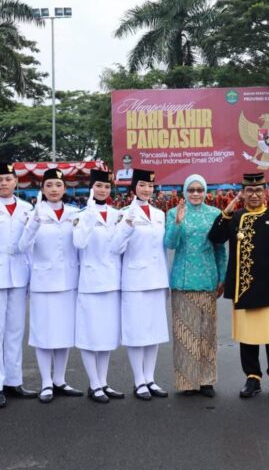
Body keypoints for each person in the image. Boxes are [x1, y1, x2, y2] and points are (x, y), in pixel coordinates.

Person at [208, 172, 269, 399]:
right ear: (243, 193)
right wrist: (227, 211)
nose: (254, 195)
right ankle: (252, 378)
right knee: (247, 336)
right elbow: (216, 237)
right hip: (243, 287)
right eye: (249, 191)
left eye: (258, 190)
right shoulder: (236, 217)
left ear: (265, 193)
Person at [19, 168, 84, 403]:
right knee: (44, 334)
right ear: (42, 189)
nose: (54, 189)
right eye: (49, 185)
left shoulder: (75, 213)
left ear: (64, 188)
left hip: (68, 281)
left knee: (64, 333)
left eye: (58, 185)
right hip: (44, 282)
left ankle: (60, 379)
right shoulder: (34, 213)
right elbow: (22, 246)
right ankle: (46, 382)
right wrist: (34, 222)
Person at [0, 161, 37, 408]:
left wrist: (31, 276)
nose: (4, 183)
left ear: (16, 182)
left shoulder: (26, 208)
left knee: (15, 331)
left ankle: (14, 381)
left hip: (19, 273)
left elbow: (30, 245)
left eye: (8, 179)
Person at [110, 169, 170, 401]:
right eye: (142, 185)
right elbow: (115, 248)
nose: (146, 189)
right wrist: (126, 226)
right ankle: (139, 380)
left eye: (150, 186)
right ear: (134, 187)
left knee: (154, 332)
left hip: (157, 279)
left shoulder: (159, 214)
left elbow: (162, 248)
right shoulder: (124, 213)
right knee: (136, 332)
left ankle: (150, 378)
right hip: (134, 280)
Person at [165, 174, 227, 397]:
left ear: (205, 192)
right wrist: (177, 223)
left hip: (208, 279)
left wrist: (222, 277)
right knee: (185, 334)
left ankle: (206, 380)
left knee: (207, 333)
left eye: (200, 189)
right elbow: (170, 243)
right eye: (191, 190)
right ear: (185, 191)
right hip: (183, 281)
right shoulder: (174, 213)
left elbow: (220, 248)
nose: (195, 193)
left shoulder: (215, 214)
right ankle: (187, 382)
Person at [74, 169, 125, 403]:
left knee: (106, 335)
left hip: (112, 281)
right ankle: (93, 383)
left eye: (106, 186)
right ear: (91, 188)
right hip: (91, 282)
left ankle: (103, 382)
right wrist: (88, 217)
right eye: (98, 186)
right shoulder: (81, 214)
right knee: (89, 334)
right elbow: (79, 242)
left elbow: (120, 248)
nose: (103, 190)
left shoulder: (117, 215)